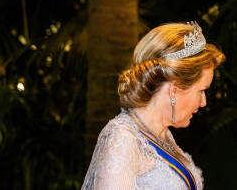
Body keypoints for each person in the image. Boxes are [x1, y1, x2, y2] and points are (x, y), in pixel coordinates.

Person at [82, 21, 225, 190]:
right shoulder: (122, 139)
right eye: (201, 91)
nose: (204, 102)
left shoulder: (163, 134)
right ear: (174, 89)